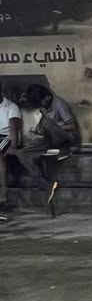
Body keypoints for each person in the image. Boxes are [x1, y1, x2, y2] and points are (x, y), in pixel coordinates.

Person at [0, 81, 22, 209]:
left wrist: (13, 147)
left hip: (5, 137)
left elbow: (13, 129)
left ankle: (3, 196)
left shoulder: (11, 107)